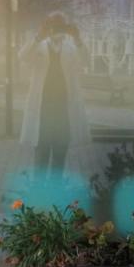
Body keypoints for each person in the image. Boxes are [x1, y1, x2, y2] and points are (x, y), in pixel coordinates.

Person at [19, 12, 89, 176]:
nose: (57, 28)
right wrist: (38, 37)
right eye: (53, 24)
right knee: (41, 149)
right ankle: (39, 186)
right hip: (42, 107)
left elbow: (85, 60)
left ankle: (56, 186)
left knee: (60, 150)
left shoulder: (72, 48)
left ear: (66, 27)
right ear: (47, 25)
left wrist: (77, 38)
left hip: (63, 107)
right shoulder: (39, 45)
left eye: (60, 24)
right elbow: (23, 56)